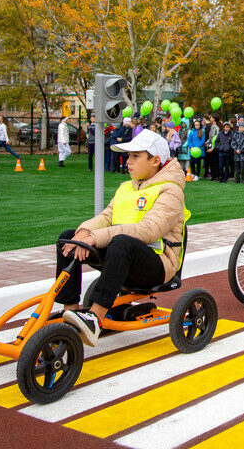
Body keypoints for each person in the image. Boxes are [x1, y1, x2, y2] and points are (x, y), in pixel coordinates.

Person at [56, 129, 187, 346]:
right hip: (124, 257)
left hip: (158, 264)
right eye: (128, 156)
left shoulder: (171, 191)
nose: (128, 161)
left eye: (135, 156)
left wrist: (95, 238)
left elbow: (148, 231)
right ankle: (70, 311)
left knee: (121, 241)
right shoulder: (126, 187)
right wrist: (84, 231)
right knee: (68, 238)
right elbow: (106, 217)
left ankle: (95, 318)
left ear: (155, 160)